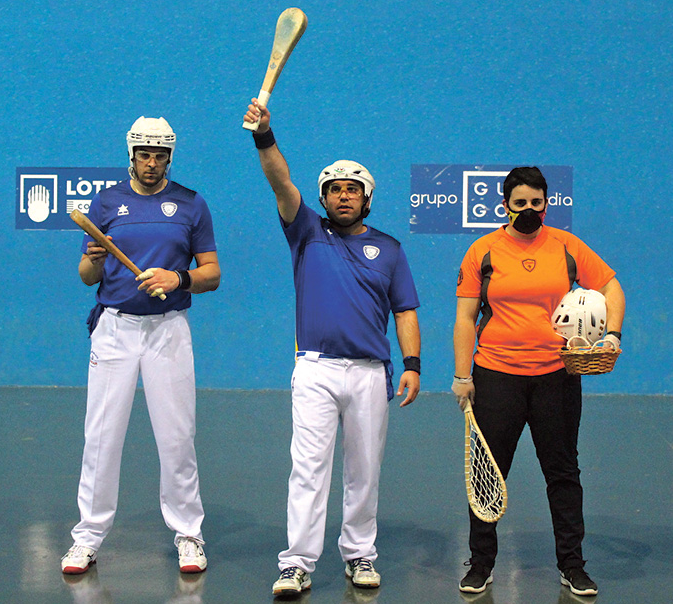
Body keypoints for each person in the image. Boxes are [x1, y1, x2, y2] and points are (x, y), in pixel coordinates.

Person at [242, 100, 422, 597]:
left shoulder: (389, 249)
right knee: (308, 469)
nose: (343, 197)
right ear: (323, 198)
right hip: (315, 371)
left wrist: (412, 365)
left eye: (353, 190)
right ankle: (297, 563)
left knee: (364, 473)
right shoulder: (306, 233)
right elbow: (281, 182)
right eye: (334, 190)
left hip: (370, 373)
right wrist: (264, 136)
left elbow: (405, 311)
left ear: (367, 199)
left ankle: (360, 555)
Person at [451, 166, 624, 597]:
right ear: (505, 204)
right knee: (487, 476)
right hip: (496, 376)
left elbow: (611, 286)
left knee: (563, 472)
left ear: (547, 203)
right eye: (520, 202)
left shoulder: (567, 246)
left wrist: (612, 334)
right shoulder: (483, 251)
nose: (529, 209)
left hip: (557, 376)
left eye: (537, 202)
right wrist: (461, 375)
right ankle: (481, 564)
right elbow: (465, 317)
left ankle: (573, 566)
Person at [61, 116, 221, 576]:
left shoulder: (191, 205)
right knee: (101, 436)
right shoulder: (107, 202)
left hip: (168, 330)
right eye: (144, 155)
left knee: (176, 437)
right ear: (131, 155)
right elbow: (88, 276)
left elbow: (212, 273)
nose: (151, 163)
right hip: (114, 330)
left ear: (170, 157)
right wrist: (92, 260)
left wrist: (178, 277)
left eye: (160, 155)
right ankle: (87, 537)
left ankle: (189, 534)